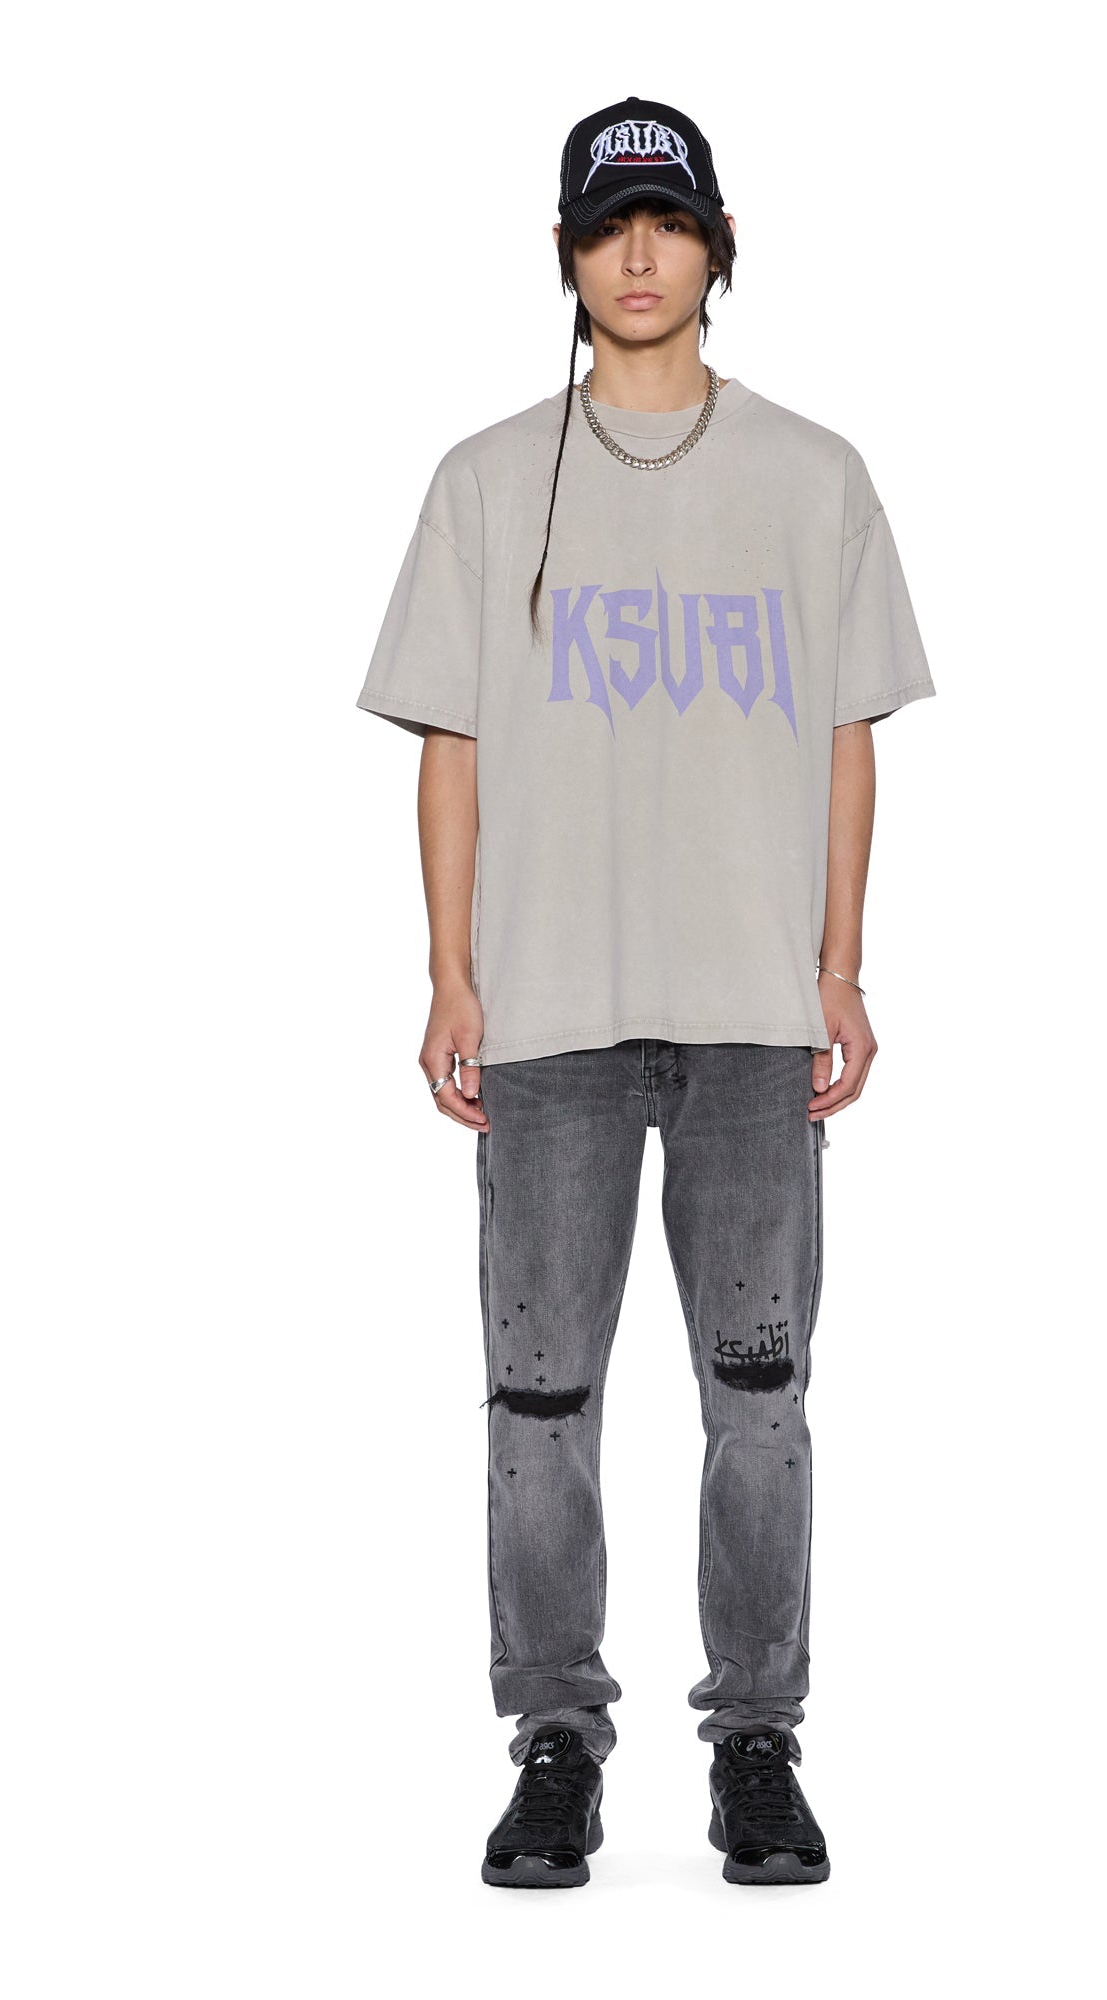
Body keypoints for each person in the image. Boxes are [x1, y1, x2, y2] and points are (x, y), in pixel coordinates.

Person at [356, 95, 936, 1888]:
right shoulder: (482, 481)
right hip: (550, 1011)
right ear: (565, 252)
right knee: (539, 1404)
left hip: (754, 1012)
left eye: (668, 223)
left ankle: (758, 1742)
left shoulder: (815, 478)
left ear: (716, 247)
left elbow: (847, 735)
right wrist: (450, 972)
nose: (638, 256)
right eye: (609, 226)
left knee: (760, 1394)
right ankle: (556, 1740)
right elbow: (450, 744)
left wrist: (840, 966)